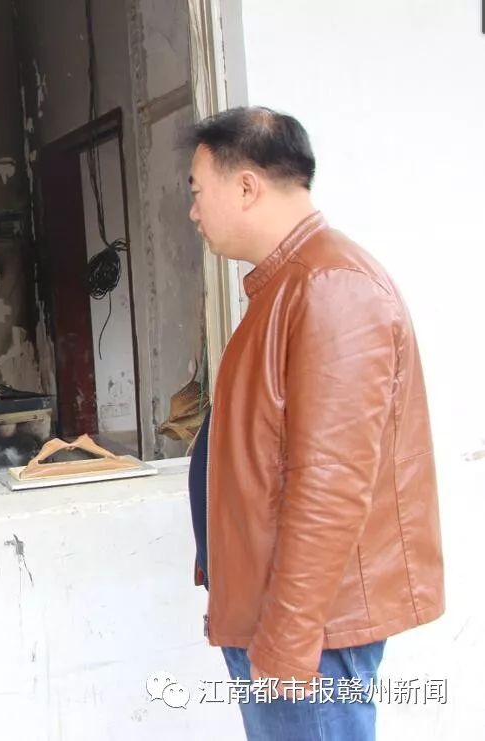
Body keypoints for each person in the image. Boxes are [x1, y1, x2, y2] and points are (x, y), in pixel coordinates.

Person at [185, 107, 444, 741]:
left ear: (246, 186)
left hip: (309, 637)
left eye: (198, 192)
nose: (193, 212)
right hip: (285, 622)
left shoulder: (329, 286)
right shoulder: (290, 284)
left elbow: (331, 484)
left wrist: (288, 639)